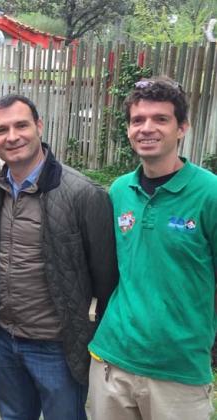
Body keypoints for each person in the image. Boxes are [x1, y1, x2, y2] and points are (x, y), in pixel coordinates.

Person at [0, 94, 118, 420]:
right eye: (1, 130)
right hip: (5, 339)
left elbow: (106, 278)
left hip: (57, 346)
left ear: (39, 126)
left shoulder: (82, 194)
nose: (12, 137)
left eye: (21, 125)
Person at [88, 77, 217, 419]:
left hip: (178, 372)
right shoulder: (119, 191)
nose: (147, 128)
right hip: (113, 360)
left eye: (160, 119)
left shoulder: (210, 194)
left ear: (182, 128)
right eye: (137, 120)